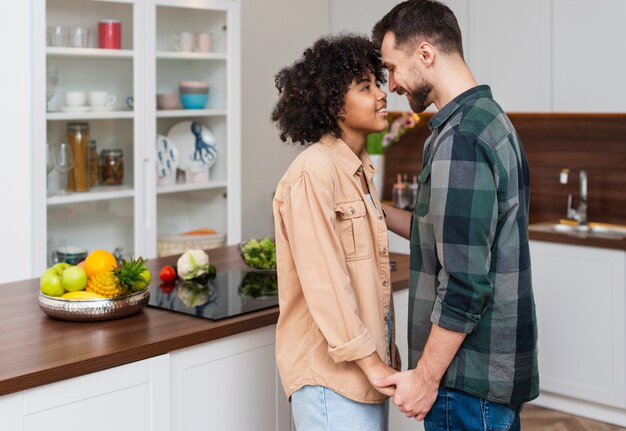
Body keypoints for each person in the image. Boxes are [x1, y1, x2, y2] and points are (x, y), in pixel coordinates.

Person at [371, 1, 539, 430]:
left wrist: (425, 379)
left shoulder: (460, 138)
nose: (390, 85)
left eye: (392, 68)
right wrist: (376, 210)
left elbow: (464, 284)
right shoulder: (488, 119)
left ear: (426, 54)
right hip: (488, 381)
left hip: (466, 382)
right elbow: (447, 237)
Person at [271, 34, 399, 431]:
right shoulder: (314, 172)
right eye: (366, 87)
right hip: (332, 382)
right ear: (334, 104)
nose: (381, 95)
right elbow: (326, 283)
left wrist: (384, 359)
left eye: (378, 83)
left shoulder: (357, 171)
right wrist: (374, 362)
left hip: (365, 375)